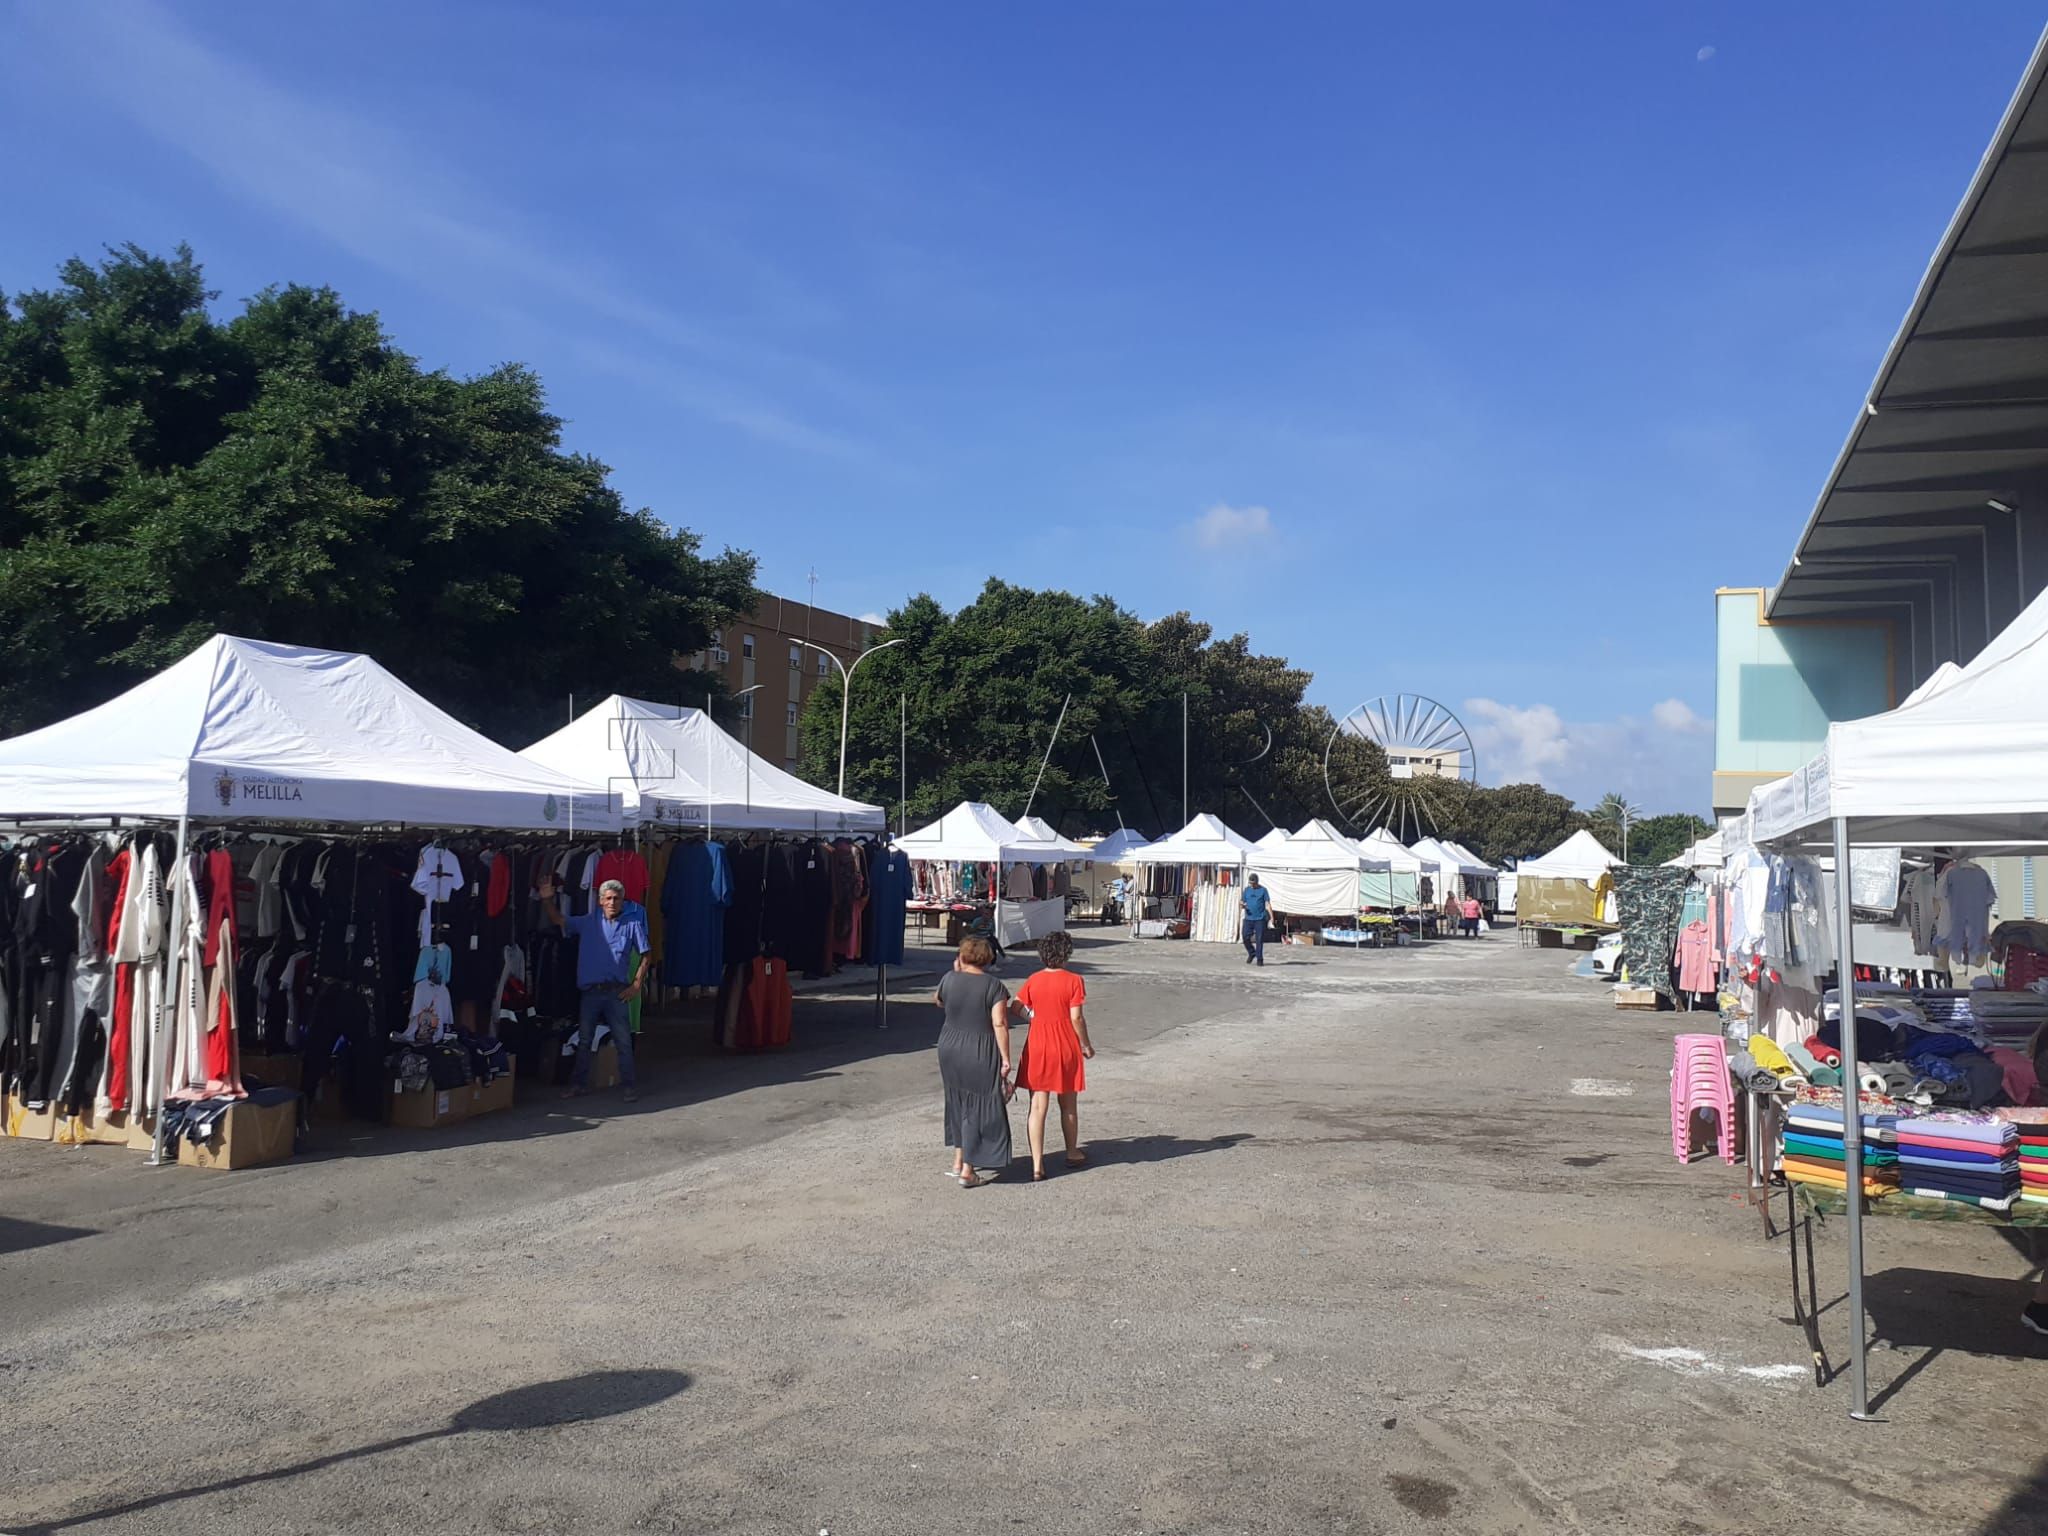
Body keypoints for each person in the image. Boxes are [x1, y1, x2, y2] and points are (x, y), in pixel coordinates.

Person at [537, 872, 649, 1103]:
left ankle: (629, 1086)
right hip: (591, 992)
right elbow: (558, 919)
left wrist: (637, 983)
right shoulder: (588, 922)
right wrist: (547, 899)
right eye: (607, 898)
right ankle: (579, 1085)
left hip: (617, 991)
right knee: (585, 1040)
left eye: (616, 898)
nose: (612, 902)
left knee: (623, 1041)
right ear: (600, 900)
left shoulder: (632, 924)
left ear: (623, 901)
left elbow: (646, 954)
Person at [1014, 930, 1094, 1180]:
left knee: (1037, 1106)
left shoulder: (1033, 979)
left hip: (1038, 1044)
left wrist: (1033, 1017)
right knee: (1068, 1104)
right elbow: (1076, 1017)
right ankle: (1072, 1152)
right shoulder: (1074, 980)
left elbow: (1015, 1006)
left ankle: (1037, 1164)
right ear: (1066, 954)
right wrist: (1086, 1044)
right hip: (1064, 1045)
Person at [933, 936, 1013, 1188]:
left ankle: (958, 1160)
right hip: (979, 1047)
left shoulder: (949, 978)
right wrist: (1006, 1059)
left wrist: (956, 974)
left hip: (948, 1044)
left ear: (962, 955)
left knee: (956, 1099)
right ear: (987, 958)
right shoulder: (994, 986)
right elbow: (999, 1023)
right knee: (978, 1104)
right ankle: (968, 1169)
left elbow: (938, 1001)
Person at [1240, 874, 1272, 966]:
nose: (1252, 885)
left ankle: (1260, 959)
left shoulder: (1263, 890)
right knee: (1245, 937)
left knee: (1259, 939)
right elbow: (1242, 901)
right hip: (1248, 918)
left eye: (1253, 884)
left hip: (1260, 919)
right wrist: (1242, 904)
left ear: (1257, 882)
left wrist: (1271, 916)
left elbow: (1267, 904)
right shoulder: (1246, 890)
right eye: (1251, 883)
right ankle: (1252, 952)